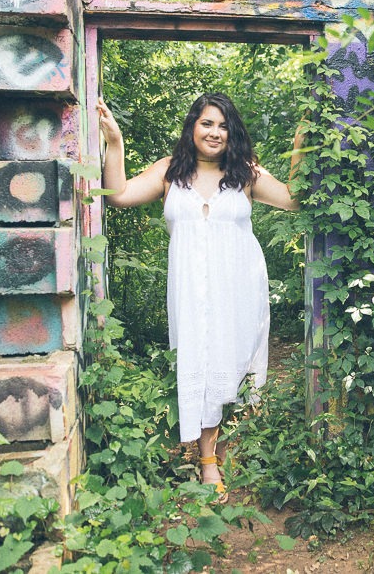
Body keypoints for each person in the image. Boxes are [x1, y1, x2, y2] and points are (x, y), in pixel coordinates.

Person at [97, 92, 303, 500]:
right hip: (190, 289)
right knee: (201, 364)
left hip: (240, 286)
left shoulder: (246, 174)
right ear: (193, 126)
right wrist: (115, 141)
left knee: (231, 367)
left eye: (223, 125)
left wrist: (300, 144)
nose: (215, 132)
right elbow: (118, 195)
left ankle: (223, 453)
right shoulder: (168, 172)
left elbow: (296, 200)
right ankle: (209, 463)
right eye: (207, 123)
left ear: (233, 133)